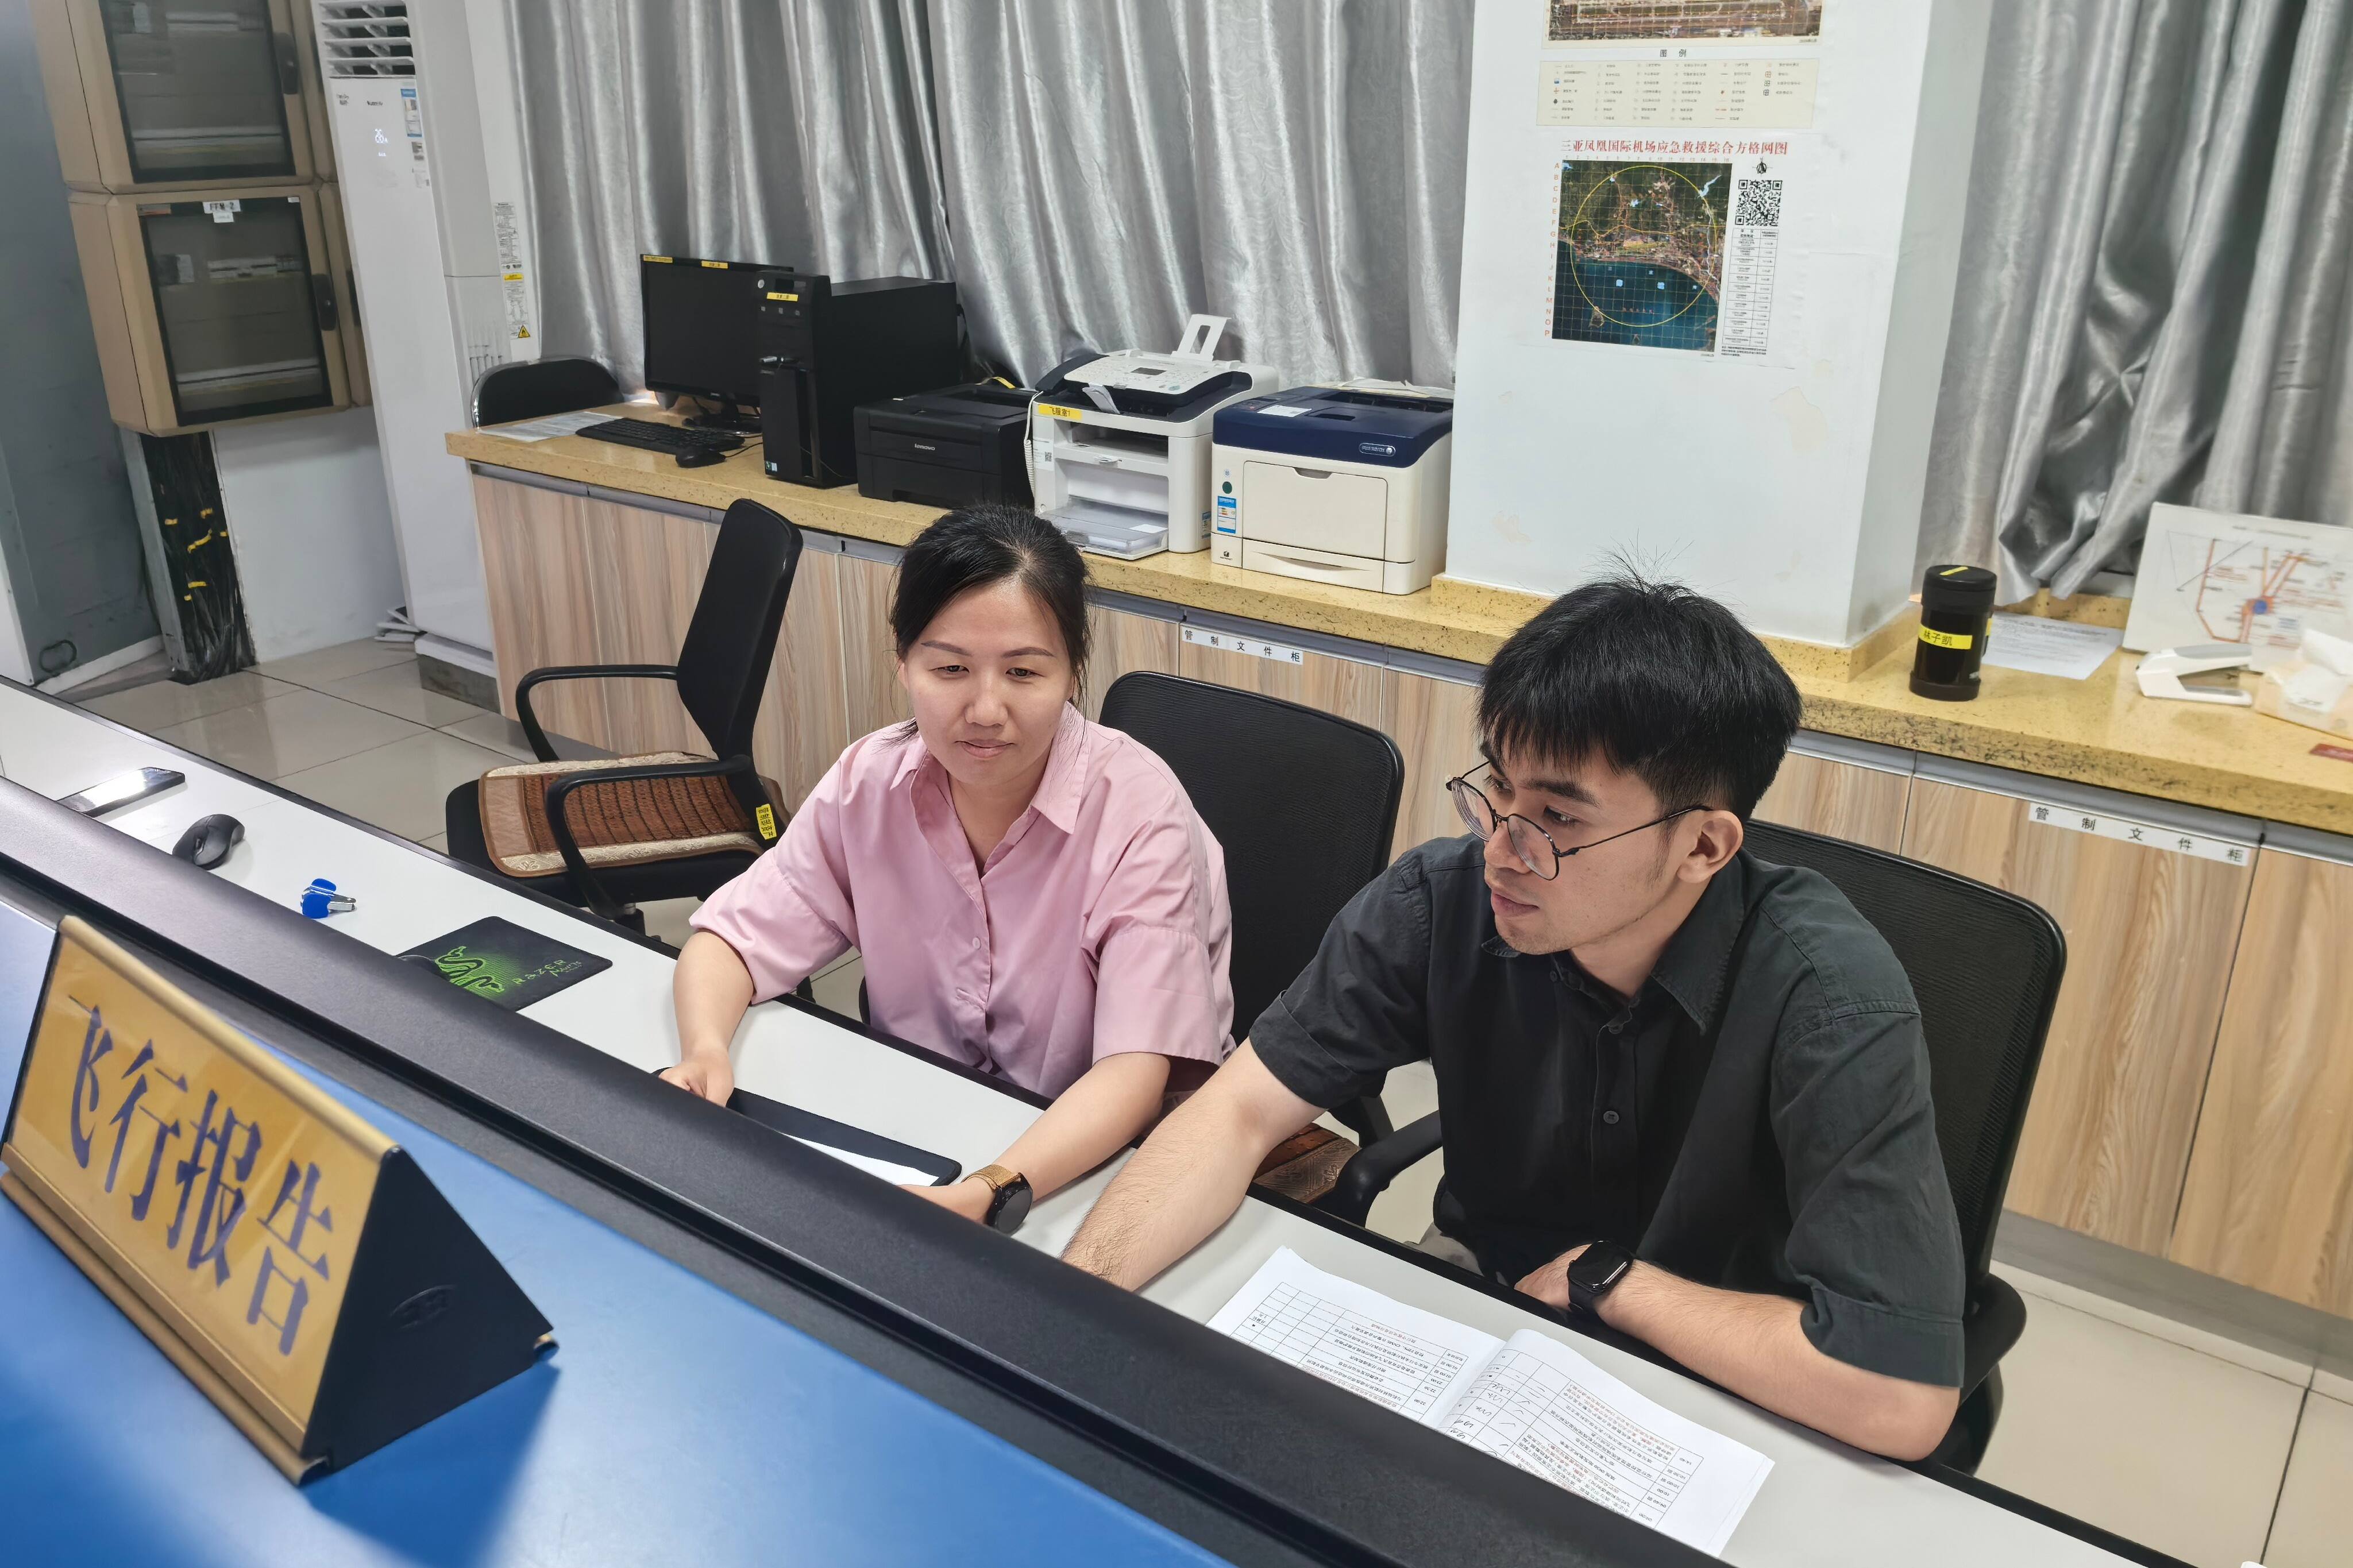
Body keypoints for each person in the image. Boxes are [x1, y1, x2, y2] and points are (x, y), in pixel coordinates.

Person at [1063, 573, 1969, 1460]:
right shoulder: (1440, 900)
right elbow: (1236, 1111)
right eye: (1498, 791)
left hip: (1726, 1381)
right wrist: (1066, 1307)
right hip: (1483, 1318)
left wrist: (1610, 1283)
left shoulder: (1831, 997)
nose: (1501, 850)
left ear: (1702, 844)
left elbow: (1897, 1395)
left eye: (1556, 818)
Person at [662, 503, 1234, 1231]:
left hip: (1092, 1157)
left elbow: (1136, 1070)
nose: (985, 709)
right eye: (950, 668)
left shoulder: (1138, 812)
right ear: (903, 661)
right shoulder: (871, 781)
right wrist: (705, 1050)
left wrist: (991, 1189)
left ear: (1072, 672)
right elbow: (733, 940)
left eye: (1024, 672)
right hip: (921, 1121)